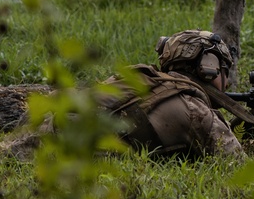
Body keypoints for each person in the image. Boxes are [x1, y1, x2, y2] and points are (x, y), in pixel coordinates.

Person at [96, 29, 245, 158]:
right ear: (209, 67)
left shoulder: (136, 79)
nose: (227, 83)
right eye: (224, 70)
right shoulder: (195, 110)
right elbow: (237, 162)